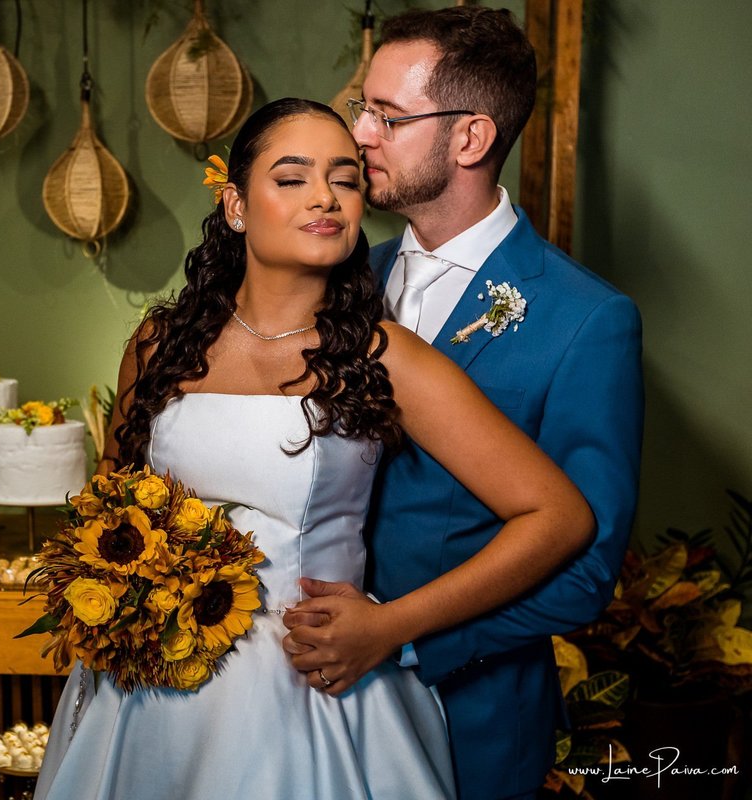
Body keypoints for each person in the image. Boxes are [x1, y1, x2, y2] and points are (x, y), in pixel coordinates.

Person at [34, 97, 595, 800]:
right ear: (236, 205)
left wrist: (392, 625)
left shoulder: (386, 358)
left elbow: (558, 515)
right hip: (150, 692)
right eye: (292, 177)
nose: (324, 197)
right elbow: (108, 516)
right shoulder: (159, 345)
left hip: (310, 685)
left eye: (345, 178)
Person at [282, 8, 644, 800]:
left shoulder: (587, 321)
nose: (361, 136)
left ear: (471, 138)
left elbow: (584, 571)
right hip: (304, 704)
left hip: (468, 717)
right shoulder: (342, 281)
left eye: (389, 116)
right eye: (362, 109)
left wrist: (398, 635)